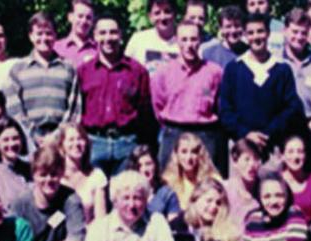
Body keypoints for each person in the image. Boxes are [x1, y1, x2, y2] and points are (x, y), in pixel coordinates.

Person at [78, 14, 156, 177]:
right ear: (95, 36)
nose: (108, 38)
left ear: (121, 35)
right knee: (95, 196)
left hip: (126, 143)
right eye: (103, 33)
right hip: (94, 143)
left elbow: (146, 113)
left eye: (113, 32)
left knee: (124, 195)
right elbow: (78, 110)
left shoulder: (137, 71)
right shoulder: (84, 71)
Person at [220, 13, 303, 154]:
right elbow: (226, 110)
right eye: (251, 33)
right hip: (240, 148)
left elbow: (291, 108)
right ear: (245, 36)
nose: (256, 37)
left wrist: (268, 133)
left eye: (260, 31)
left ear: (268, 33)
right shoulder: (233, 68)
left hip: (273, 147)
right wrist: (245, 133)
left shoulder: (282, 69)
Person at [152, 21, 226, 176]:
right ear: (177, 41)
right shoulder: (164, 72)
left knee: (207, 184)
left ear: (200, 41)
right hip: (173, 133)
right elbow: (158, 105)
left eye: (193, 39)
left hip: (205, 135)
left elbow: (220, 105)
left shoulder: (214, 72)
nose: (189, 44)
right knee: (169, 182)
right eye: (184, 39)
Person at [5, 12, 81, 140]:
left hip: (61, 140)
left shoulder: (68, 68)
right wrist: (32, 134)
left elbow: (75, 107)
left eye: (49, 33)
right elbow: (13, 108)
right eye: (39, 34)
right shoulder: (18, 69)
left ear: (55, 36)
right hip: (27, 140)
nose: (44, 38)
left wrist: (58, 135)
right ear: (30, 36)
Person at [283, 8, 311, 174]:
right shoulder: (275, 60)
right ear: (285, 31)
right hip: (284, 126)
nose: (299, 37)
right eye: (295, 31)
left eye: (303, 33)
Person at [56, 123, 107, 223]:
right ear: (62, 145)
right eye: (71, 140)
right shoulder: (55, 177)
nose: (76, 144)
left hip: (89, 234)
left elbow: (101, 219)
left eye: (80, 139)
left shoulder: (96, 176)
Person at [162, 132, 220, 210]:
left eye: (194, 152)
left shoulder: (213, 179)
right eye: (184, 152)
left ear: (200, 154)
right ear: (176, 154)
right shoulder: (167, 181)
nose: (189, 158)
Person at [125, 144, 181, 221]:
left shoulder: (167, 194)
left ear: (155, 165)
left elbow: (174, 225)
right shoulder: (125, 194)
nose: (144, 170)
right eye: (139, 166)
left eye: (148, 164)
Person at [125, 0, 179, 75]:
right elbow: (126, 71)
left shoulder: (185, 40)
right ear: (150, 17)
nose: (163, 17)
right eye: (157, 13)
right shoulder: (138, 40)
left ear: (175, 14)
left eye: (167, 11)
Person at [280, 135, 311, 223]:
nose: (296, 156)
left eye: (300, 152)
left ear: (305, 155)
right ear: (283, 156)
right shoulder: (275, 181)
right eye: (290, 152)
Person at [223, 138, 261, 230]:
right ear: (235, 162)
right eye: (246, 159)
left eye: (256, 158)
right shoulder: (224, 190)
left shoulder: (263, 190)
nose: (252, 164)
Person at [54, 0, 97, 67]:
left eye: (88, 18)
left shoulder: (98, 49)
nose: (84, 21)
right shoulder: (56, 48)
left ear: (93, 21)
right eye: (80, 16)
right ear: (70, 17)